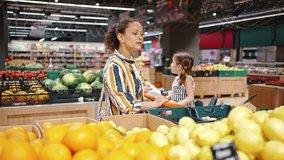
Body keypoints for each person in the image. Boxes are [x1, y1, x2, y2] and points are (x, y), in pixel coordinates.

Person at [103, 18, 167, 115]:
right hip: (119, 126)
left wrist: (139, 89)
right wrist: (155, 104)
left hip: (134, 124)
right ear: (121, 37)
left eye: (141, 34)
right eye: (135, 33)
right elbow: (127, 106)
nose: (140, 37)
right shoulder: (115, 65)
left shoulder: (131, 63)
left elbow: (127, 90)